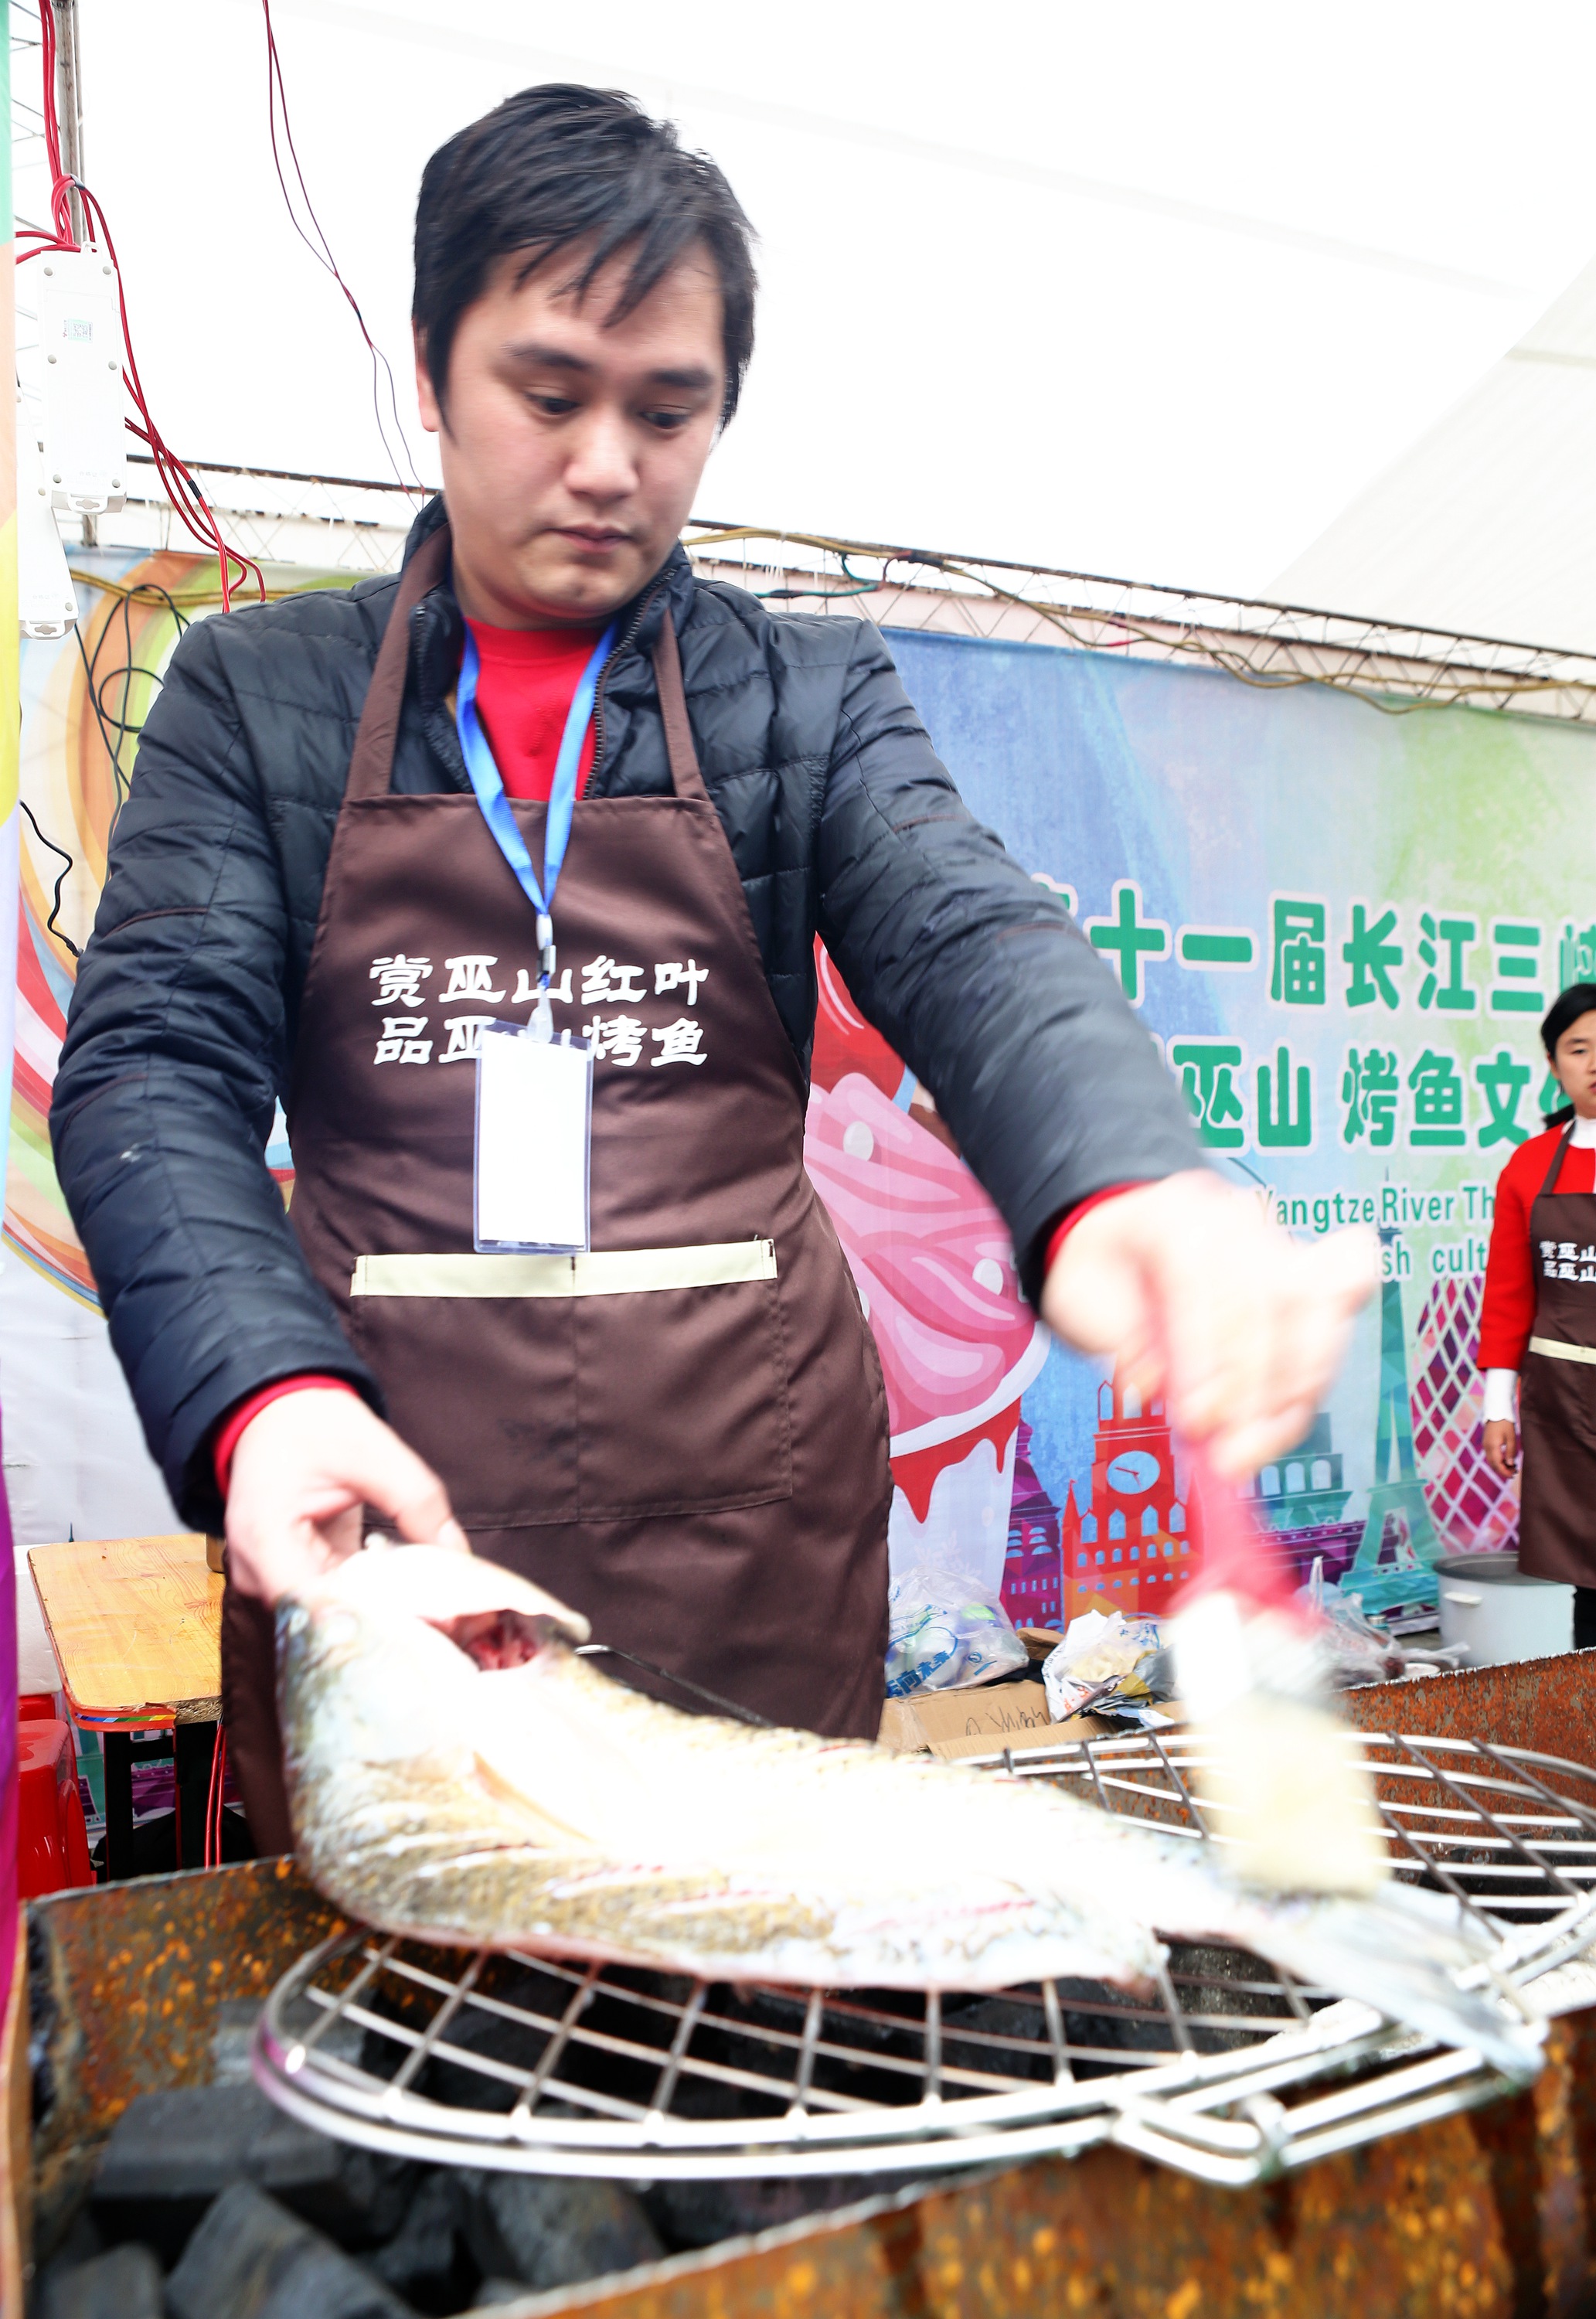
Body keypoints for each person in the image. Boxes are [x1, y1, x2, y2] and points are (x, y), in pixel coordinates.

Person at [50, 86, 1372, 1850]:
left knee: (760, 1990)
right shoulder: (260, 695)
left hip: (747, 1521)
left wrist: (1125, 1179)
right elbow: (151, 1065)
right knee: (418, 2014)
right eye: (551, 393)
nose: (612, 462)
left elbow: (971, 934)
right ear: (431, 371)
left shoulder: (801, 698)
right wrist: (260, 1395)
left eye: (669, 411)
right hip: (396, 1519)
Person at [1481, 982, 1596, 1643]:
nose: (1593, 1063)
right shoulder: (1527, 1168)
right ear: (1553, 1066)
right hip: (1561, 1405)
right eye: (1577, 1049)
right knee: (1588, 1570)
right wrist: (1499, 1407)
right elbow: (1508, 1298)